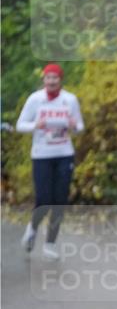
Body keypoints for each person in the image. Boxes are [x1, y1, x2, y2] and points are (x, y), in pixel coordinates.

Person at [15, 63, 85, 259]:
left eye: (55, 78)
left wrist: (74, 126)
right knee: (44, 199)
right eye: (48, 78)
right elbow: (20, 125)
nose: (52, 81)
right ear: (44, 80)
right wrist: (35, 125)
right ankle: (32, 229)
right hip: (41, 155)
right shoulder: (35, 99)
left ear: (60, 80)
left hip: (64, 153)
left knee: (60, 201)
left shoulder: (70, 100)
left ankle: (50, 244)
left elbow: (80, 127)